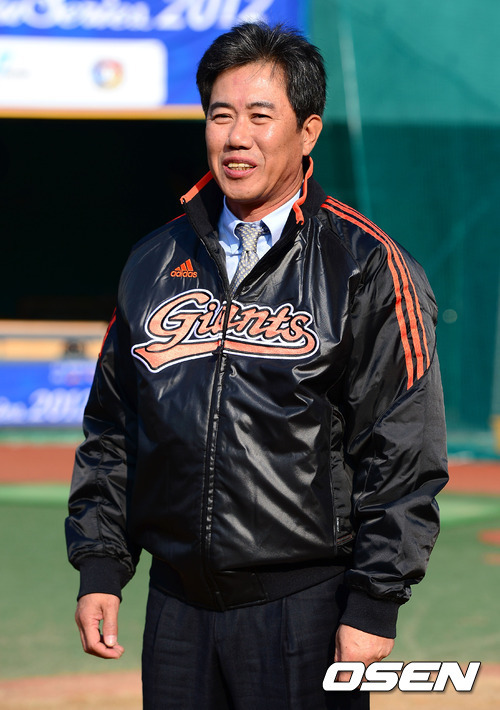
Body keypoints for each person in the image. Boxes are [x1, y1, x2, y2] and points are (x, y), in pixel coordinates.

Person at [66, 22, 448, 710]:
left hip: (306, 609)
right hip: (176, 610)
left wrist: (374, 601)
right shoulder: (153, 260)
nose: (236, 136)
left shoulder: (366, 265)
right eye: (221, 115)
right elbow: (114, 429)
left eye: (260, 116)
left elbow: (403, 447)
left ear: (308, 132)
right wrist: (100, 564)